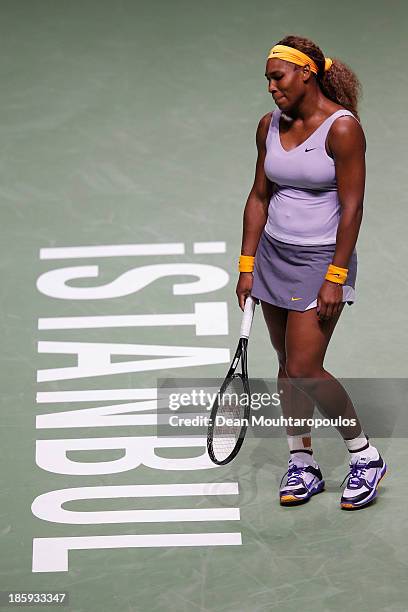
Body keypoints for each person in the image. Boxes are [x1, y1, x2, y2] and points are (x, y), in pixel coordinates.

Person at [236, 35, 386, 510]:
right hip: (273, 258)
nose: (271, 88)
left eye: (277, 78)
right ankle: (301, 461)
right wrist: (246, 264)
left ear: (306, 74)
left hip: (322, 261)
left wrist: (336, 275)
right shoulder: (268, 126)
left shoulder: (342, 130)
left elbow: (352, 206)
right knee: (286, 367)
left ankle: (365, 455)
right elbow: (259, 196)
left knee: (304, 366)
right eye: (267, 80)